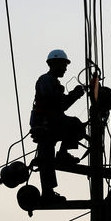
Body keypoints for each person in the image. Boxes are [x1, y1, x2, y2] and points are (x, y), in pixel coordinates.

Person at [30, 49, 87, 202]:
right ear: (54, 64)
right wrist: (74, 95)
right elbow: (57, 105)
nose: (66, 68)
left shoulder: (51, 82)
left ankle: (48, 192)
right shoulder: (46, 80)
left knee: (46, 159)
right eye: (64, 65)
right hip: (46, 123)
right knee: (74, 124)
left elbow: (60, 106)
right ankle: (62, 155)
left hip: (48, 122)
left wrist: (75, 95)